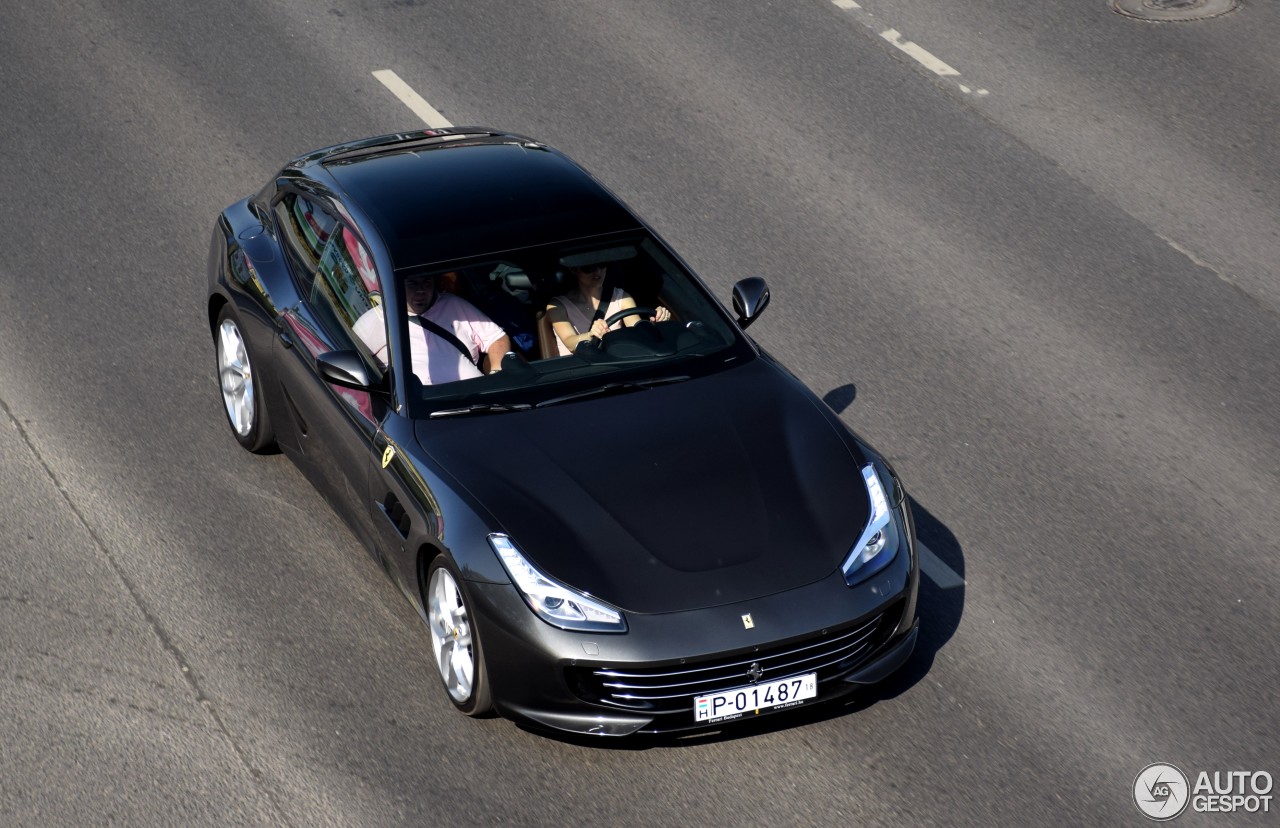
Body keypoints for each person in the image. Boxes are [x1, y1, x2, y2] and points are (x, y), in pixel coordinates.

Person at [353, 272, 511, 385]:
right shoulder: (375, 320)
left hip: (481, 402)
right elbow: (351, 364)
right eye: (413, 283)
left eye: (426, 282)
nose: (421, 290)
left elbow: (496, 338)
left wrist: (496, 375)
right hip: (421, 413)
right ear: (397, 286)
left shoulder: (454, 305)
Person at [545, 263, 670, 356]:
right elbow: (570, 342)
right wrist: (591, 335)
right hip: (579, 372)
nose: (597, 272)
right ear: (574, 270)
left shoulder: (622, 298)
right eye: (589, 268)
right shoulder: (558, 306)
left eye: (602, 265)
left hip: (614, 365)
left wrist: (653, 324)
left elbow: (636, 328)